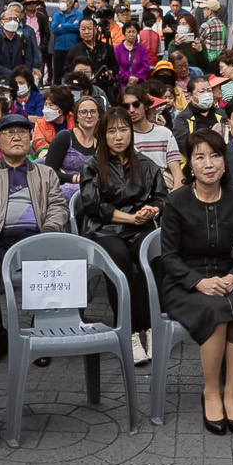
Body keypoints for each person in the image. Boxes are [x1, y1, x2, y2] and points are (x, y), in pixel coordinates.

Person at [150, 130, 233, 433]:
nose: (208, 164)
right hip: (183, 282)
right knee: (216, 312)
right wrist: (198, 282)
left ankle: (231, 393)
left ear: (225, 162)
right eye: (200, 157)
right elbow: (169, 257)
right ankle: (211, 391)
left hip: (225, 277)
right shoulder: (175, 201)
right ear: (191, 165)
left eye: (215, 156)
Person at [74, 110, 163, 367]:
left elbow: (161, 198)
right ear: (103, 135)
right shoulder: (91, 165)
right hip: (105, 230)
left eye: (123, 129)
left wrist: (151, 211)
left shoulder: (145, 164)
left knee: (153, 259)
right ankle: (130, 331)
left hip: (140, 227)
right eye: (111, 131)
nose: (118, 136)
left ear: (131, 132)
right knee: (120, 262)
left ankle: (151, 327)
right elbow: (93, 207)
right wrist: (131, 218)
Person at [0, 113, 68, 263]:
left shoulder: (46, 173)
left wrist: (48, 232)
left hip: (37, 236)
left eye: (22, 132)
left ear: (30, 139)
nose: (17, 137)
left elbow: (58, 206)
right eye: (9, 132)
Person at [44, 92, 104, 190]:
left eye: (93, 111)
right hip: (64, 189)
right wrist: (73, 178)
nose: (89, 116)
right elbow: (48, 171)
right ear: (76, 117)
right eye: (83, 112)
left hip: (92, 189)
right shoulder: (65, 137)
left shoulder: (101, 141)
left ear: (98, 116)